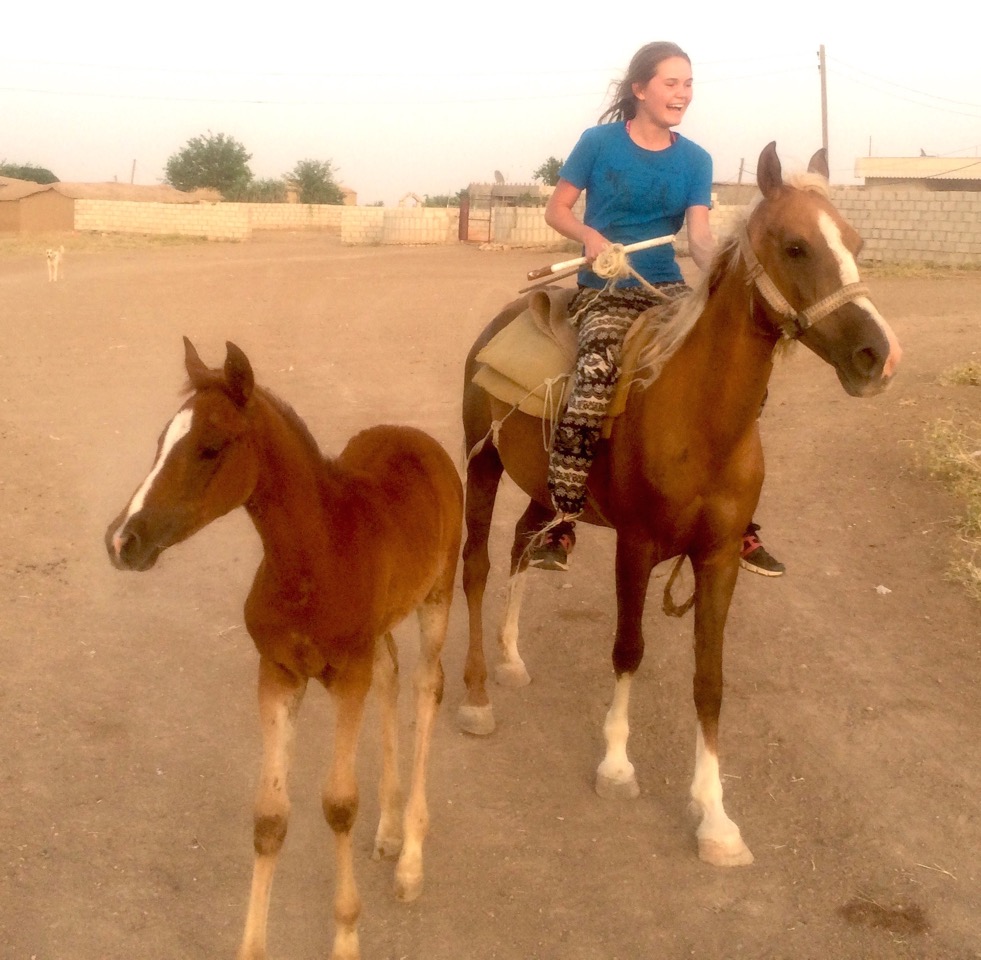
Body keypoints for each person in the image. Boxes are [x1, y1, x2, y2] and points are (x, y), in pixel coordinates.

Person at [529, 40, 785, 577]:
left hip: (665, 288)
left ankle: (737, 520)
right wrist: (589, 237)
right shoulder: (598, 143)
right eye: (671, 83)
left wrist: (724, 273)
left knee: (738, 376)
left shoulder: (696, 159)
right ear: (640, 89)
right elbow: (557, 210)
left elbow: (699, 237)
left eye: (688, 84)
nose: (682, 93)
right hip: (605, 287)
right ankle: (562, 517)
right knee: (595, 373)